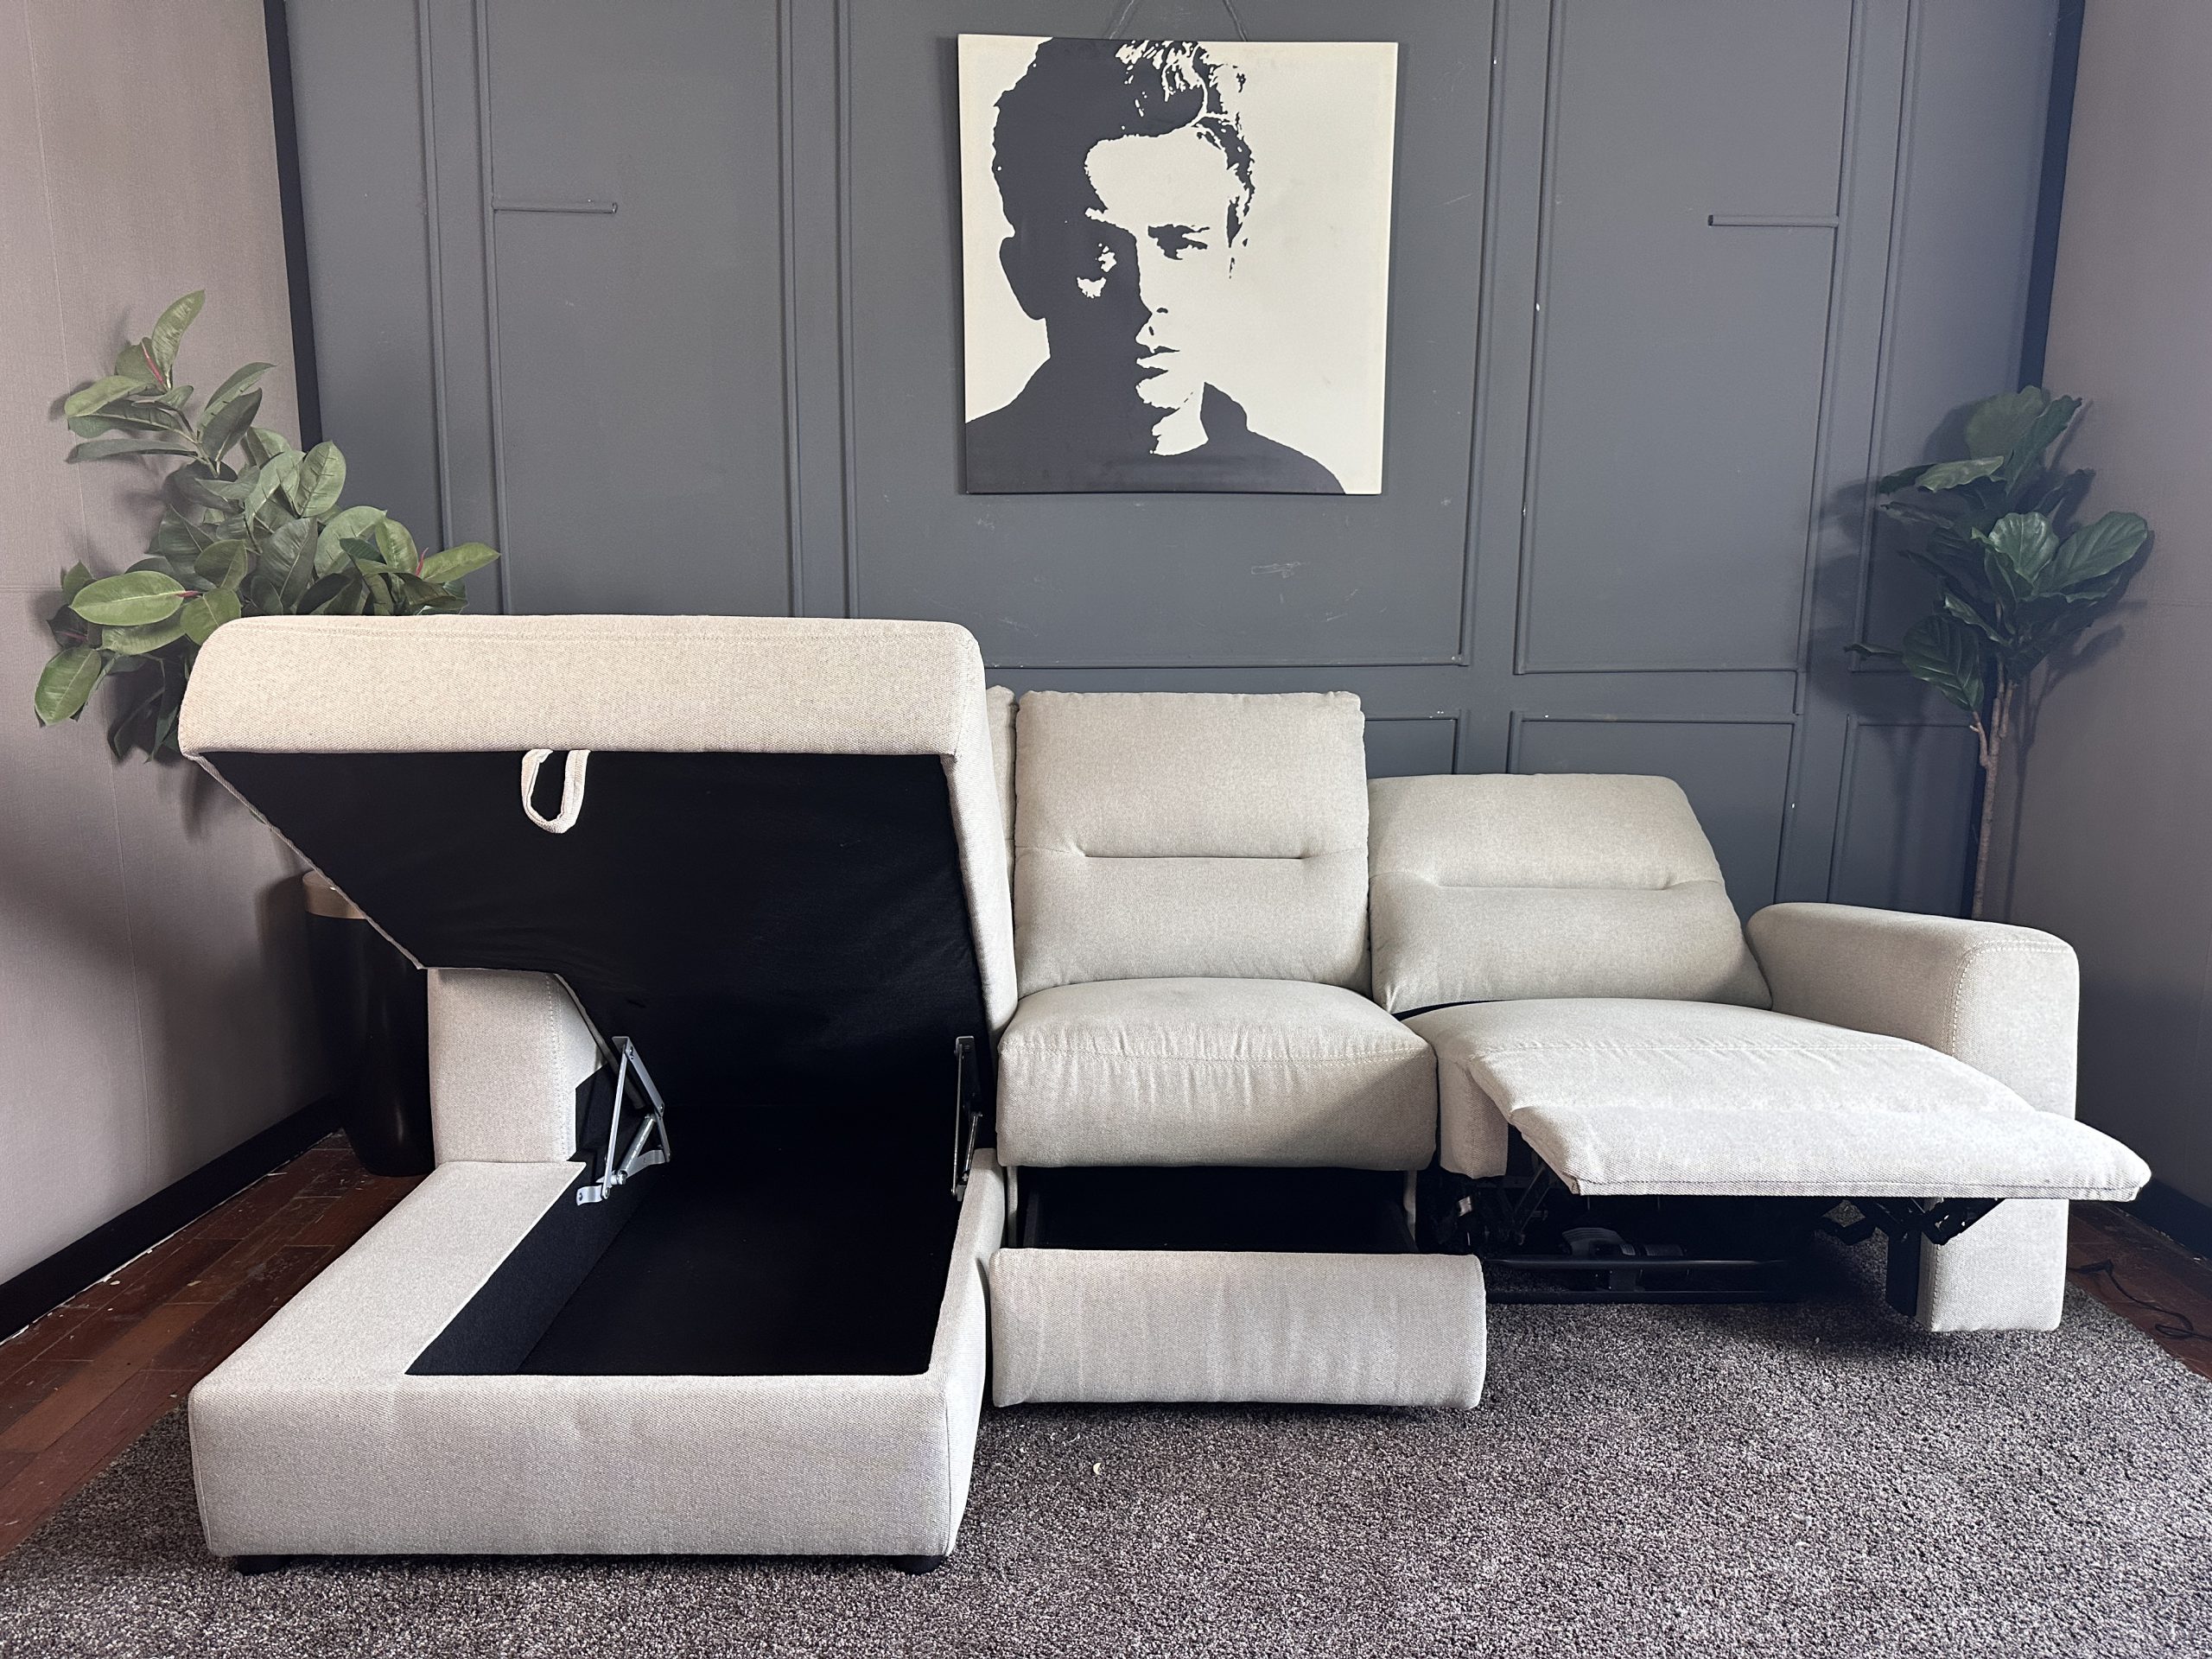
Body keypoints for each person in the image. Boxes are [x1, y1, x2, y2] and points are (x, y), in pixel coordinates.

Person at [965, 38, 1343, 494]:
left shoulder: (1305, 490)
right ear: (1025, 276)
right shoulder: (971, 473)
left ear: (1232, 262)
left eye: (1183, 243)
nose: (1147, 297)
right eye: (1098, 250)